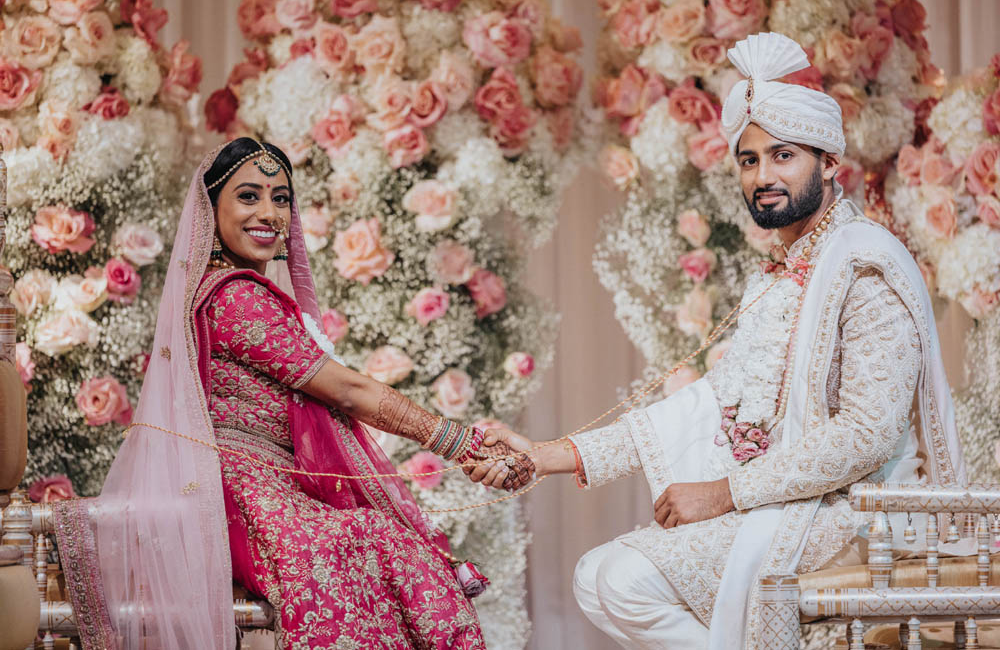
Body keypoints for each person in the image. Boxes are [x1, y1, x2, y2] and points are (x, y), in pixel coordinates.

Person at [469, 32, 966, 649]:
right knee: (598, 577)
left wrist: (723, 494)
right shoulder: (782, 273)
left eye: (784, 156)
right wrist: (549, 455)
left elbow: (867, 434)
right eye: (749, 160)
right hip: (793, 500)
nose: (763, 176)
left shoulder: (864, 267)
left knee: (621, 579)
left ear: (830, 163)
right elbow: (709, 403)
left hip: (862, 510)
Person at [52, 138, 533, 650]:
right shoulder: (235, 296)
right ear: (211, 209)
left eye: (281, 198)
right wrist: (462, 444)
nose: (269, 212)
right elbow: (347, 390)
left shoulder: (240, 291)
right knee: (367, 541)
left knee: (380, 543)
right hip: (238, 494)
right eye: (249, 196)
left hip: (265, 488)